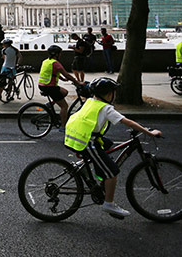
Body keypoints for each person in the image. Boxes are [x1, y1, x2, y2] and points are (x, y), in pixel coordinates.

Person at [64, 77, 162, 218]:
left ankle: (85, 166)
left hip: (76, 136)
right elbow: (127, 121)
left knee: (108, 144)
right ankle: (108, 204)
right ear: (109, 94)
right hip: (86, 142)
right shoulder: (106, 108)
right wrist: (149, 132)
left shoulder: (91, 101)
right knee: (112, 172)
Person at [39, 45, 82, 129]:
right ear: (56, 54)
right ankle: (63, 127)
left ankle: (50, 104)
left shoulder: (46, 61)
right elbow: (66, 74)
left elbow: (52, 73)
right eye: (60, 53)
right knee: (64, 106)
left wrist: (62, 79)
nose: (61, 55)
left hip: (43, 85)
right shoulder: (55, 63)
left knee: (65, 92)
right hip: (50, 87)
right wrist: (78, 82)